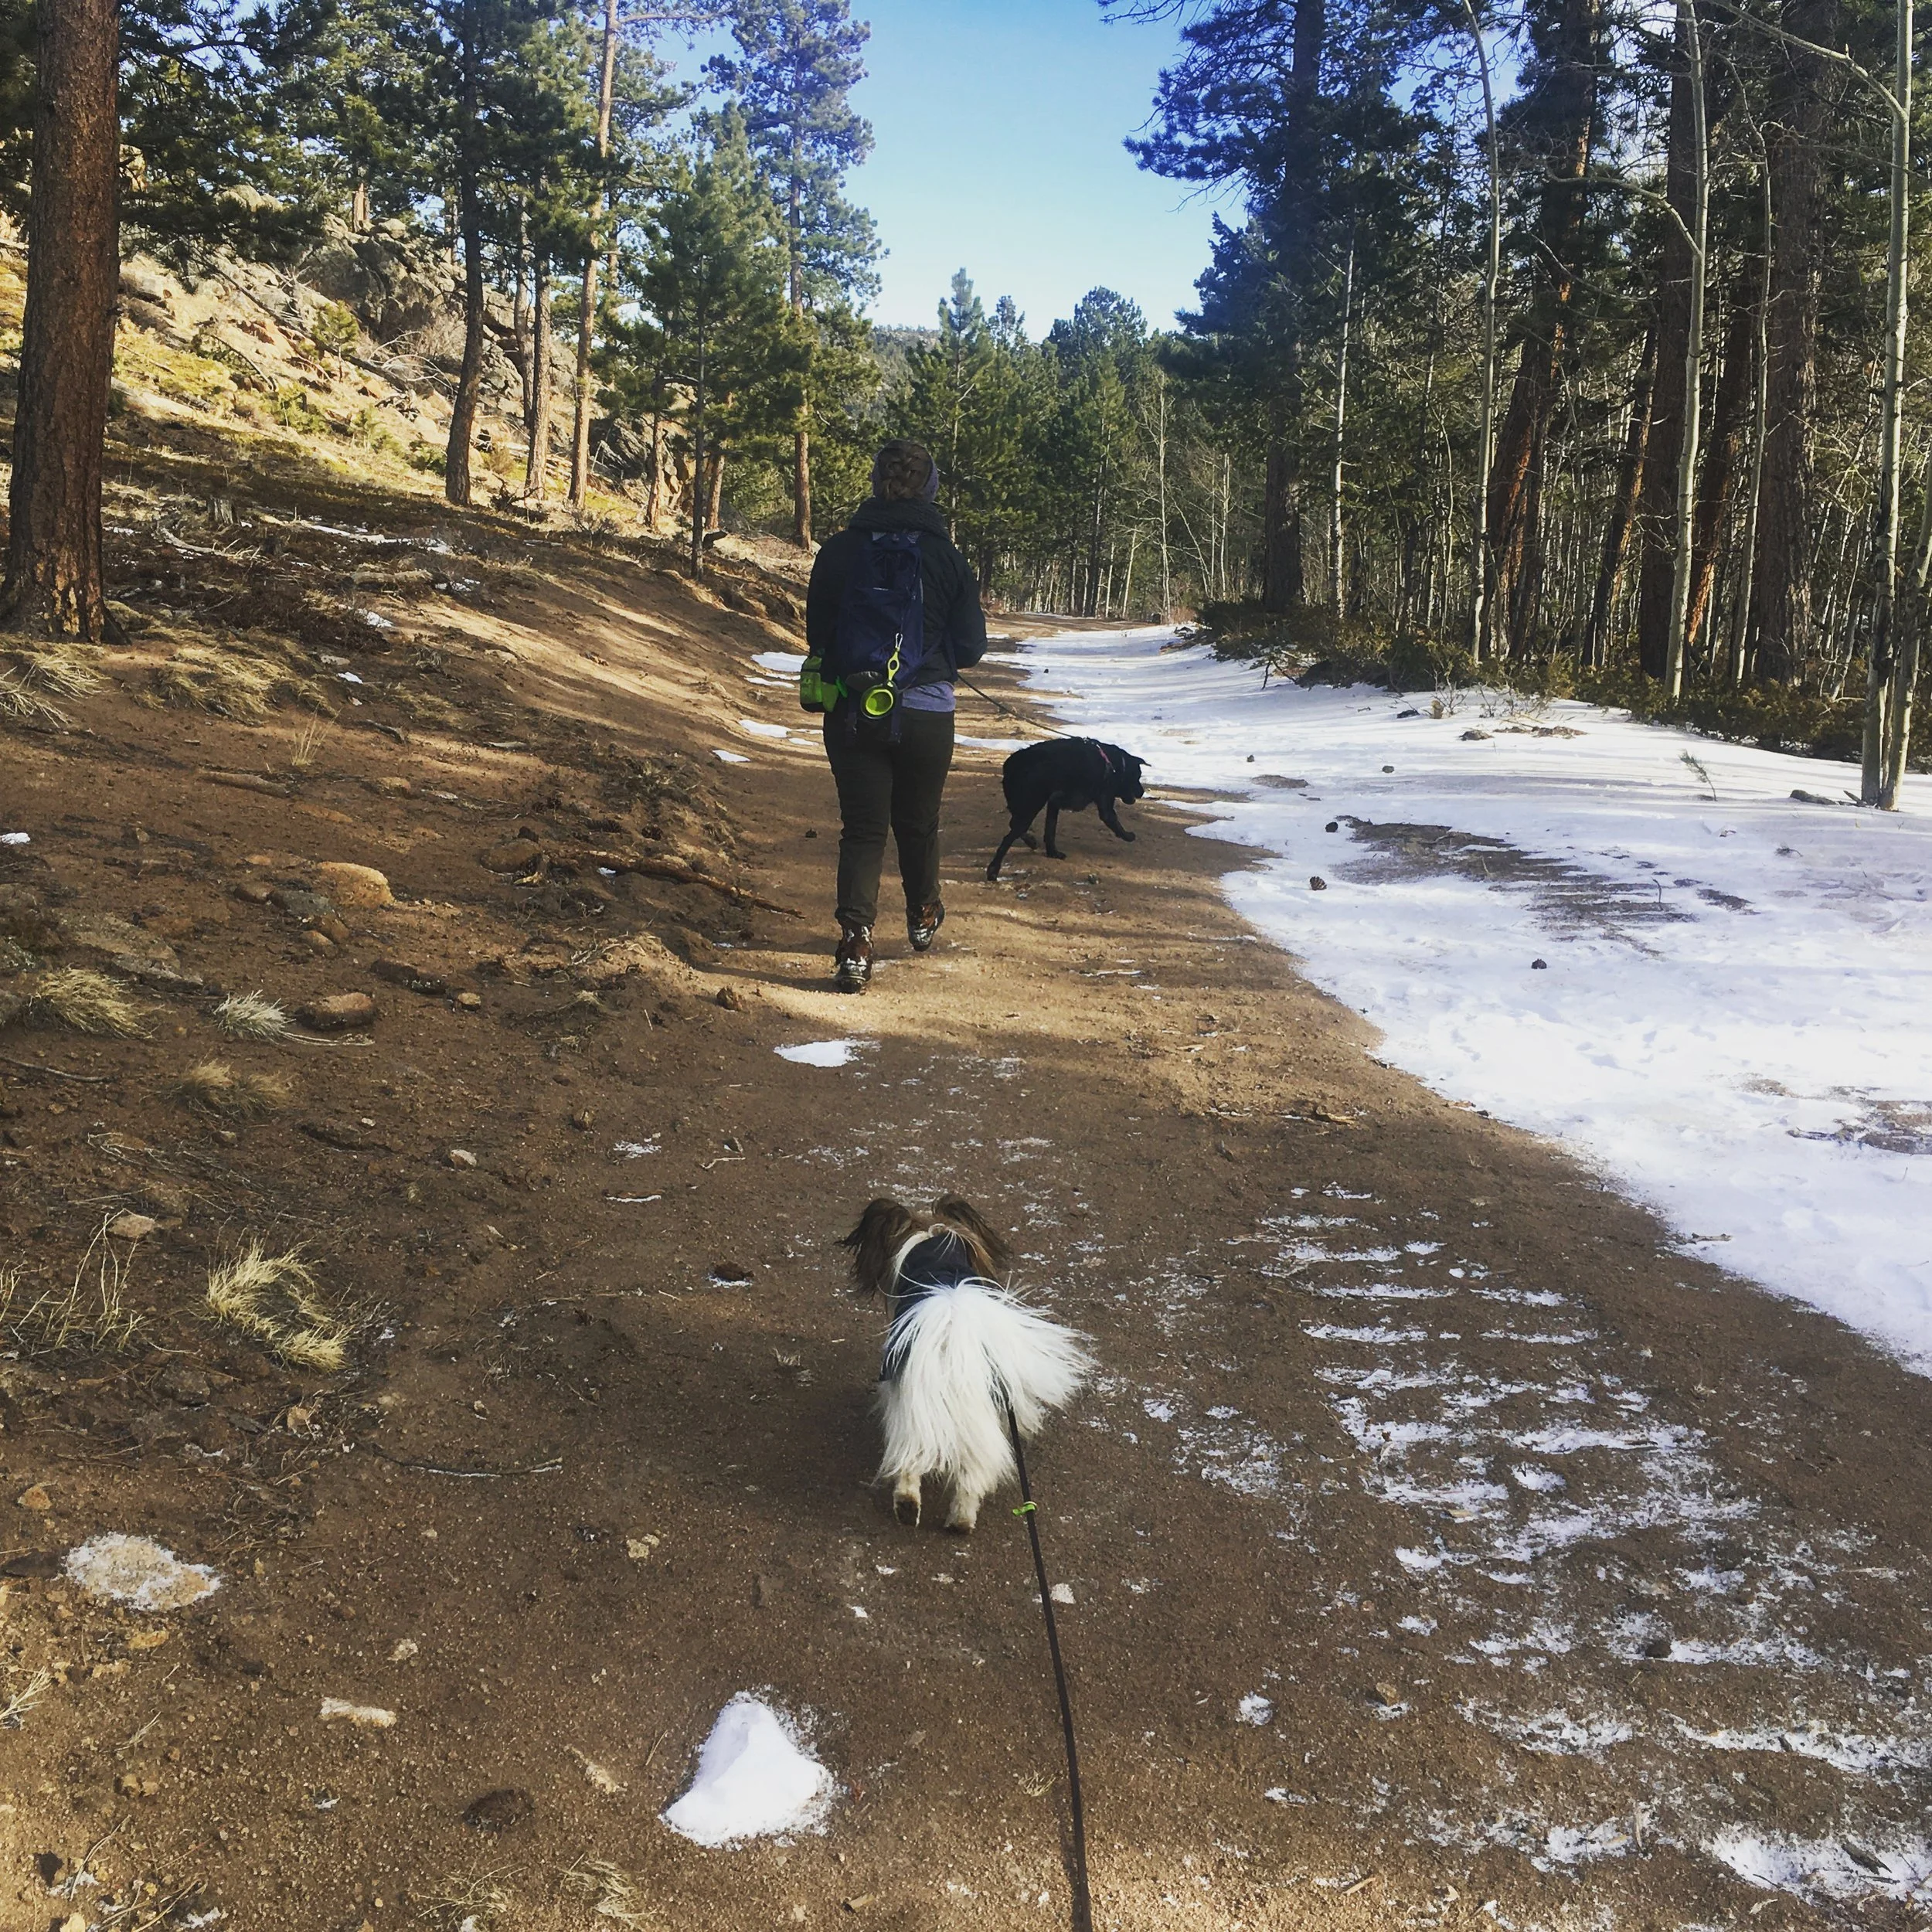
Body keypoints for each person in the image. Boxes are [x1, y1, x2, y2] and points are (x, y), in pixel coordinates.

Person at [804, 439, 987, 993]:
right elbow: (973, 648)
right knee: (918, 821)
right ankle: (923, 912)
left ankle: (856, 942)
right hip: (928, 711)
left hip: (854, 710)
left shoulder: (837, 552)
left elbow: (818, 636)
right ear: (930, 488)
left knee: (862, 829)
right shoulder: (948, 559)